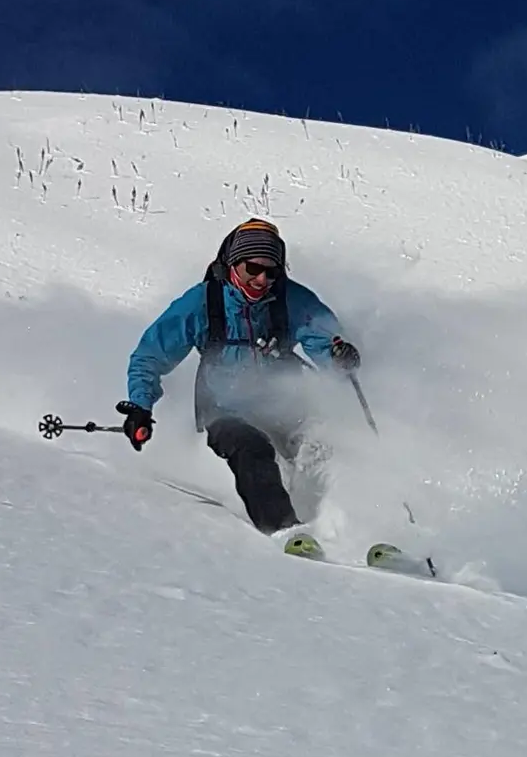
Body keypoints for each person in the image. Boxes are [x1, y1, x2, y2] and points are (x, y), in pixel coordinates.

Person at [117, 218, 360, 533]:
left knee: (327, 446)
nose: (262, 279)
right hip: (224, 408)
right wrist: (140, 406)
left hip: (284, 405)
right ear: (233, 264)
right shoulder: (203, 303)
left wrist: (340, 357)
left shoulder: (291, 300)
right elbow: (150, 355)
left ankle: (357, 526)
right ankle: (285, 530)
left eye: (271, 271)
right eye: (252, 269)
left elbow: (326, 343)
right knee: (252, 450)